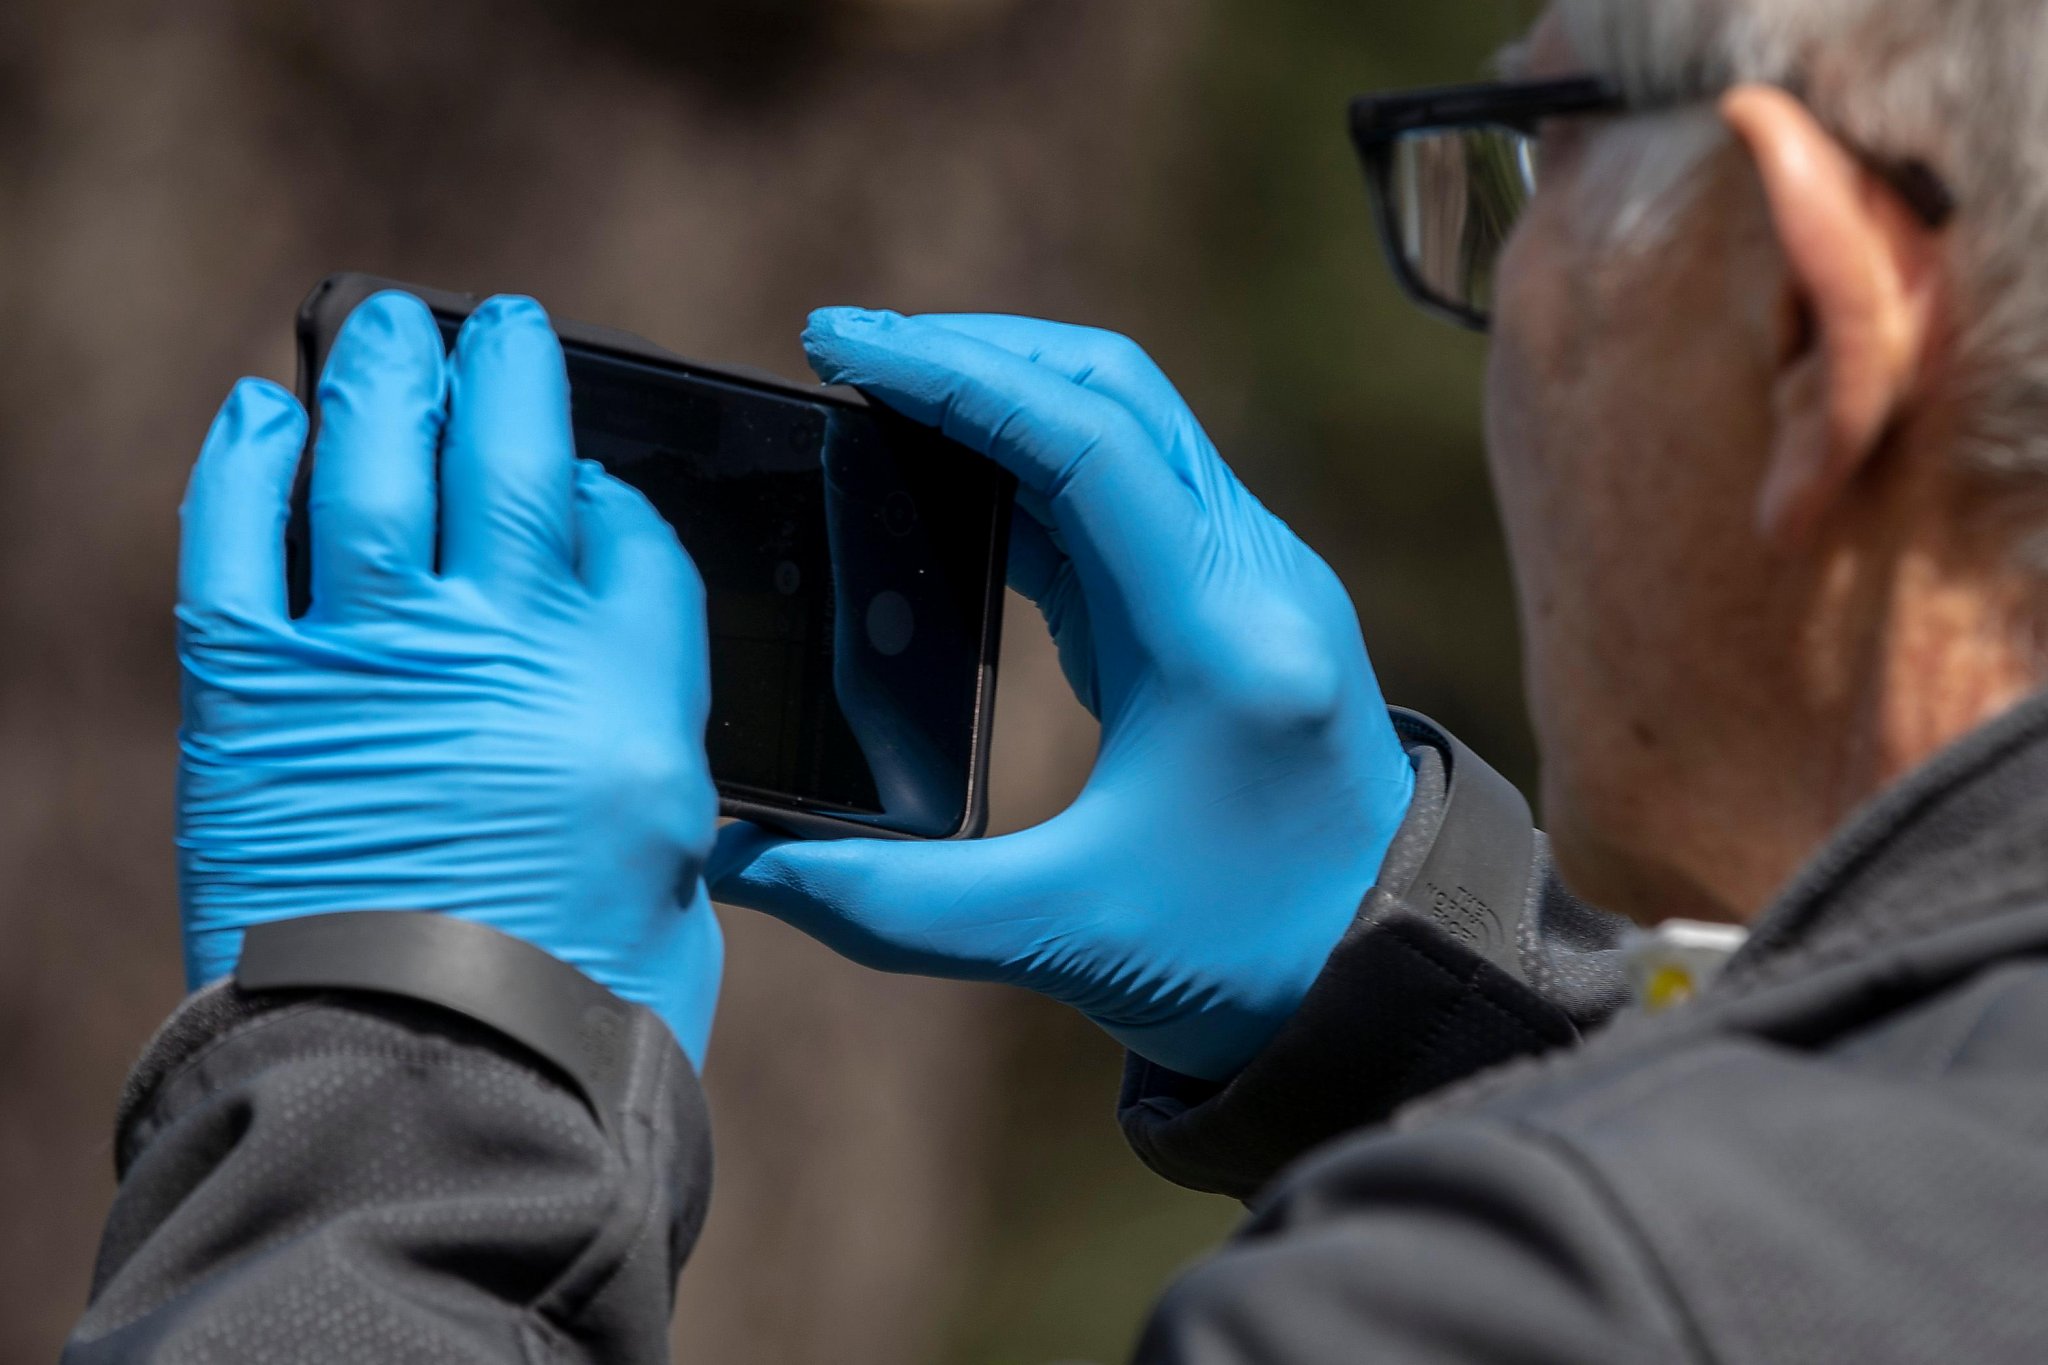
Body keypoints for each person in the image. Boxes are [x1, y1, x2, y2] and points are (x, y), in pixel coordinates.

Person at [62, 0, 2048, 1360]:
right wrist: (1421, 995)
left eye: (1518, 160)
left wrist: (407, 1094)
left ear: (1806, 322)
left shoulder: (1492, 1315)